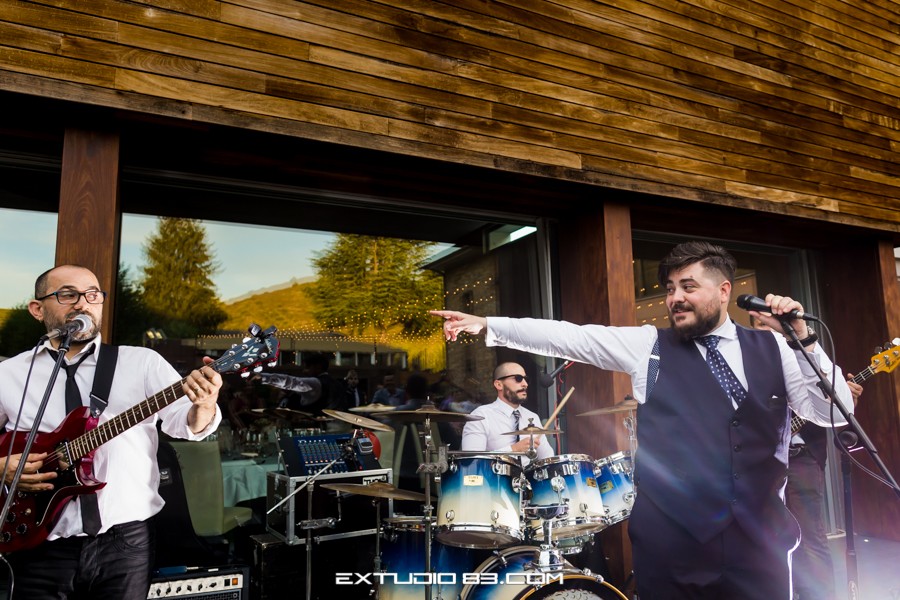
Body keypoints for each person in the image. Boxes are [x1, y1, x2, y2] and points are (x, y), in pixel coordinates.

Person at [432, 240, 855, 600]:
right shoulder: (648, 346)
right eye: (671, 288)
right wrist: (489, 325)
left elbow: (833, 413)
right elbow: (571, 336)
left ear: (724, 290)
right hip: (673, 545)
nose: (675, 297)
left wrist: (804, 339)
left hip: (760, 543)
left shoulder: (775, 347)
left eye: (689, 286)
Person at [0, 264, 223, 600]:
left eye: (92, 295)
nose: (82, 303)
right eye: (67, 294)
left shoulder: (142, 363)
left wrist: (204, 403)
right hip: (37, 540)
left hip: (125, 544)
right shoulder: (10, 373)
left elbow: (186, 426)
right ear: (37, 309)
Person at [787, 376, 862, 600]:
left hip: (802, 456)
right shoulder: (758, 353)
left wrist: (845, 403)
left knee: (810, 534)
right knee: (772, 535)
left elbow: (831, 417)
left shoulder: (811, 360)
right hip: (764, 460)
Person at [461, 362, 553, 464]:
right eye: (518, 379)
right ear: (499, 385)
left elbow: (547, 459)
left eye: (526, 379)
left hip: (526, 478)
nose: (525, 384)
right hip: (494, 479)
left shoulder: (532, 417)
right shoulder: (480, 416)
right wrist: (513, 449)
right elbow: (471, 461)